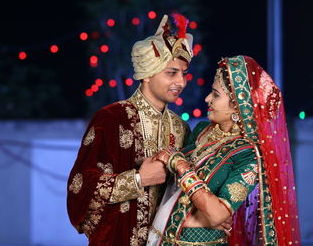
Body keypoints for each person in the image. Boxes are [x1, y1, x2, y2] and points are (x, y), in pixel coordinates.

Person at [67, 13, 194, 245]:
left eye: (183, 74)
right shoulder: (110, 119)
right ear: (147, 75)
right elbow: (79, 188)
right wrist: (137, 179)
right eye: (171, 73)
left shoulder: (180, 127)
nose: (181, 82)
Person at [147, 55, 301, 246]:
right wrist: (191, 220)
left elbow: (216, 215)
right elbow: (175, 192)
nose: (207, 99)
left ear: (239, 108)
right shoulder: (201, 131)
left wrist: (181, 166)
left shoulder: (247, 155)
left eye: (216, 94)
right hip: (164, 236)